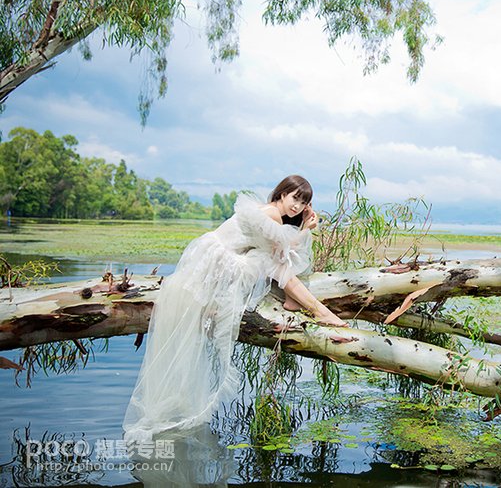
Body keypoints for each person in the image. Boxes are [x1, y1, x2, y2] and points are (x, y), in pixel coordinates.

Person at [123, 175, 347, 443]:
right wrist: (307, 229)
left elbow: (283, 250)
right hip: (217, 263)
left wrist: (301, 229)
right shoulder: (272, 215)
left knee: (271, 261)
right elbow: (283, 253)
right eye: (295, 198)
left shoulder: (270, 213)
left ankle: (301, 303)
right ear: (282, 194)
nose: (298, 206)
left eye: (304, 202)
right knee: (272, 263)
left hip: (212, 257)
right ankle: (319, 310)